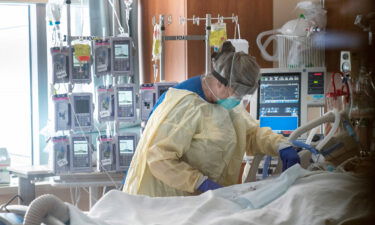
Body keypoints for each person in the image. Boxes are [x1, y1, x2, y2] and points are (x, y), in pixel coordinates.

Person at [123, 41, 300, 197]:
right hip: (164, 203)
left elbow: (250, 133)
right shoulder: (185, 105)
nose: (239, 100)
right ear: (221, 83)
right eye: (237, 94)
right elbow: (159, 158)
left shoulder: (225, 102)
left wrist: (280, 145)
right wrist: (199, 182)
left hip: (201, 203)